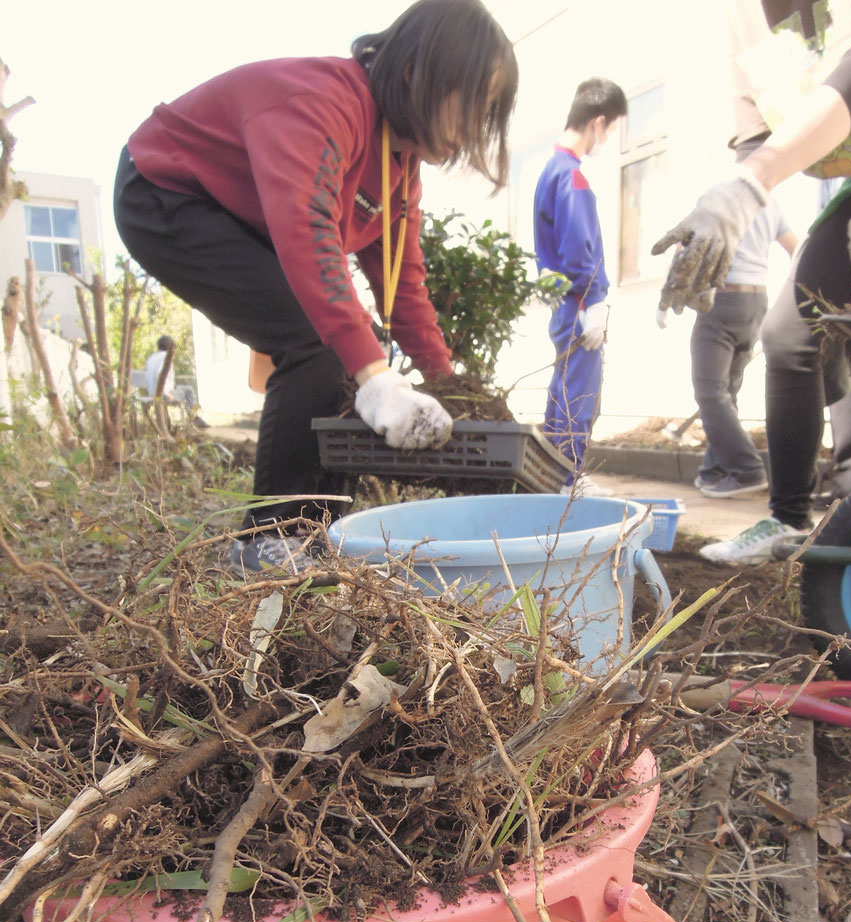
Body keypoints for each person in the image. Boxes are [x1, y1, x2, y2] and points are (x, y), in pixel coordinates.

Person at [114, 0, 518, 575]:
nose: (476, 129)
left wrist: (449, 386)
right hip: (167, 190)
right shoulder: (324, 102)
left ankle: (318, 535)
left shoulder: (399, 171)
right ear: (419, 73)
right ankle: (269, 540)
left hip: (236, 216)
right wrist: (375, 375)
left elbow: (404, 288)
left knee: (354, 343)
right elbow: (306, 229)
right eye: (474, 105)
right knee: (324, 340)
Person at [651, 0, 851, 564]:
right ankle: (788, 519)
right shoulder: (741, 15)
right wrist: (717, 225)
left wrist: (749, 186)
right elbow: (757, 138)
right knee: (792, 336)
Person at [533, 78, 627, 494]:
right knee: (579, 394)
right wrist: (595, 300)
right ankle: (567, 481)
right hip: (578, 303)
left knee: (562, 391)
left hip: (563, 304)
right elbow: (578, 250)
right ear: (599, 122)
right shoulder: (573, 178)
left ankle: (554, 477)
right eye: (611, 130)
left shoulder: (549, 172)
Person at [688, 185, 798, 497]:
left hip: (722, 298)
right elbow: (796, 247)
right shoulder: (770, 201)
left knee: (709, 392)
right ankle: (715, 470)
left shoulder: (720, 195)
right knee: (726, 393)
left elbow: (691, 247)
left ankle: (747, 469)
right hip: (755, 302)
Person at [144, 335, 197, 414]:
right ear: (171, 347)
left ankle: (193, 416)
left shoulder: (151, 358)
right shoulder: (166, 358)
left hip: (151, 393)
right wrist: (165, 394)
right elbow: (159, 374)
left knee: (182, 388)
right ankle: (195, 416)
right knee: (189, 390)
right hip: (162, 394)